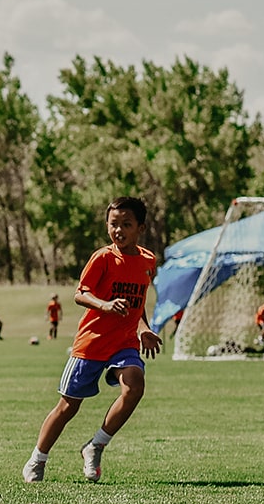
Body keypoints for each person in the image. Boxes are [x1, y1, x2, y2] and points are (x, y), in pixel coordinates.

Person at [24, 197, 161, 484]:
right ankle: (38, 458)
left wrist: (143, 328)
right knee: (68, 406)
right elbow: (80, 294)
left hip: (124, 343)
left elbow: (138, 303)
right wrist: (106, 305)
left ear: (141, 228)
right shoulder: (102, 258)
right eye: (113, 224)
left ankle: (96, 445)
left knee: (135, 385)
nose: (119, 230)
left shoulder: (148, 261)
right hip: (92, 342)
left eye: (126, 224)